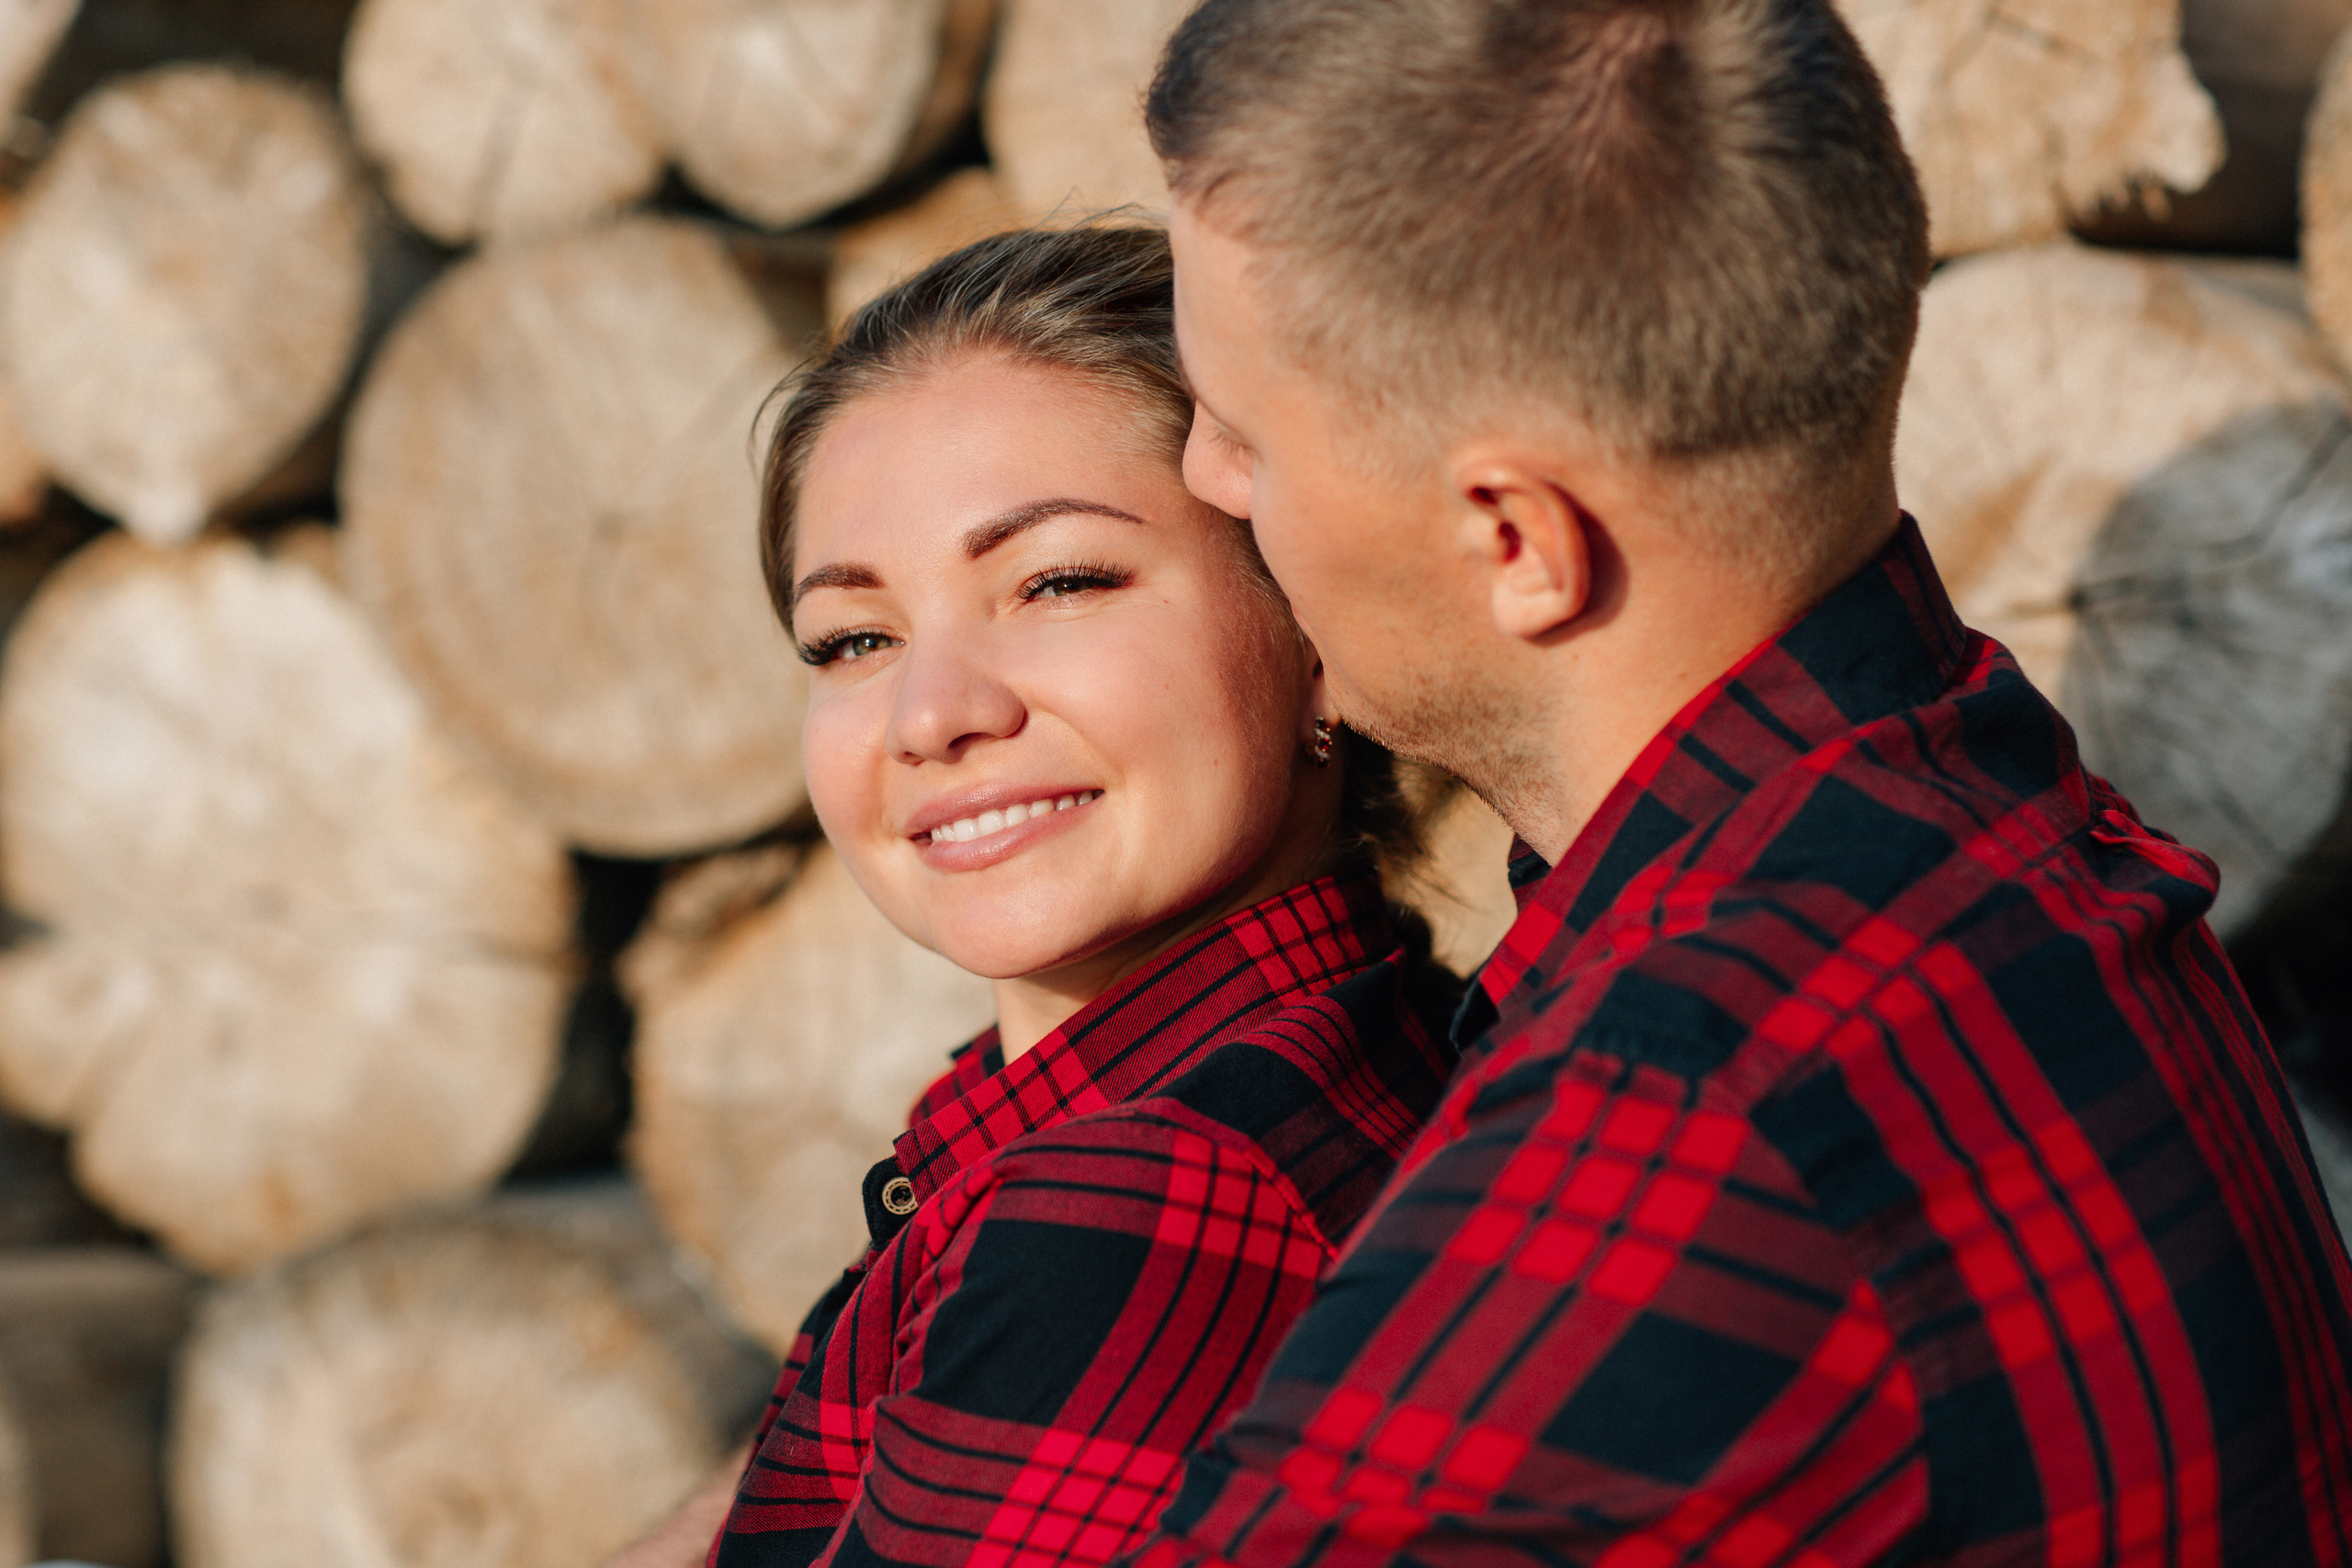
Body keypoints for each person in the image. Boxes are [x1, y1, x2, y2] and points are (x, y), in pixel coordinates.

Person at [1127, 0, 2352, 1563]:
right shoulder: (1999, 801)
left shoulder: (1675, 1118)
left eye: (1240, 436)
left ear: (1517, 543)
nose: (1200, 485)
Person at [613, 224, 1462, 1568]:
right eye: (854, 639)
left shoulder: (1155, 1191)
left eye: (1058, 581)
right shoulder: (1385, 1032)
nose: (934, 712)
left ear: (1315, 634)